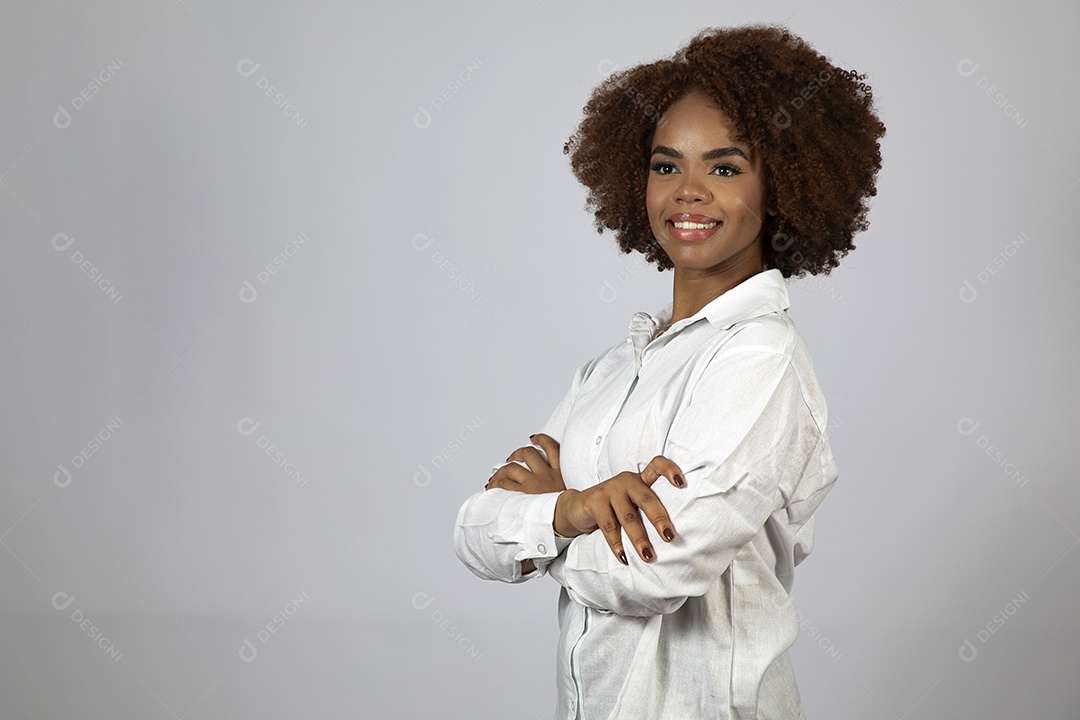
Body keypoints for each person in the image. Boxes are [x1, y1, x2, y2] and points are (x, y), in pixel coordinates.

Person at [453, 23, 885, 719]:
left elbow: (660, 572)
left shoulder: (759, 358)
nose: (688, 191)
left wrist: (548, 532)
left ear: (781, 184)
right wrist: (578, 507)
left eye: (724, 167)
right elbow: (475, 530)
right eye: (664, 166)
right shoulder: (612, 369)